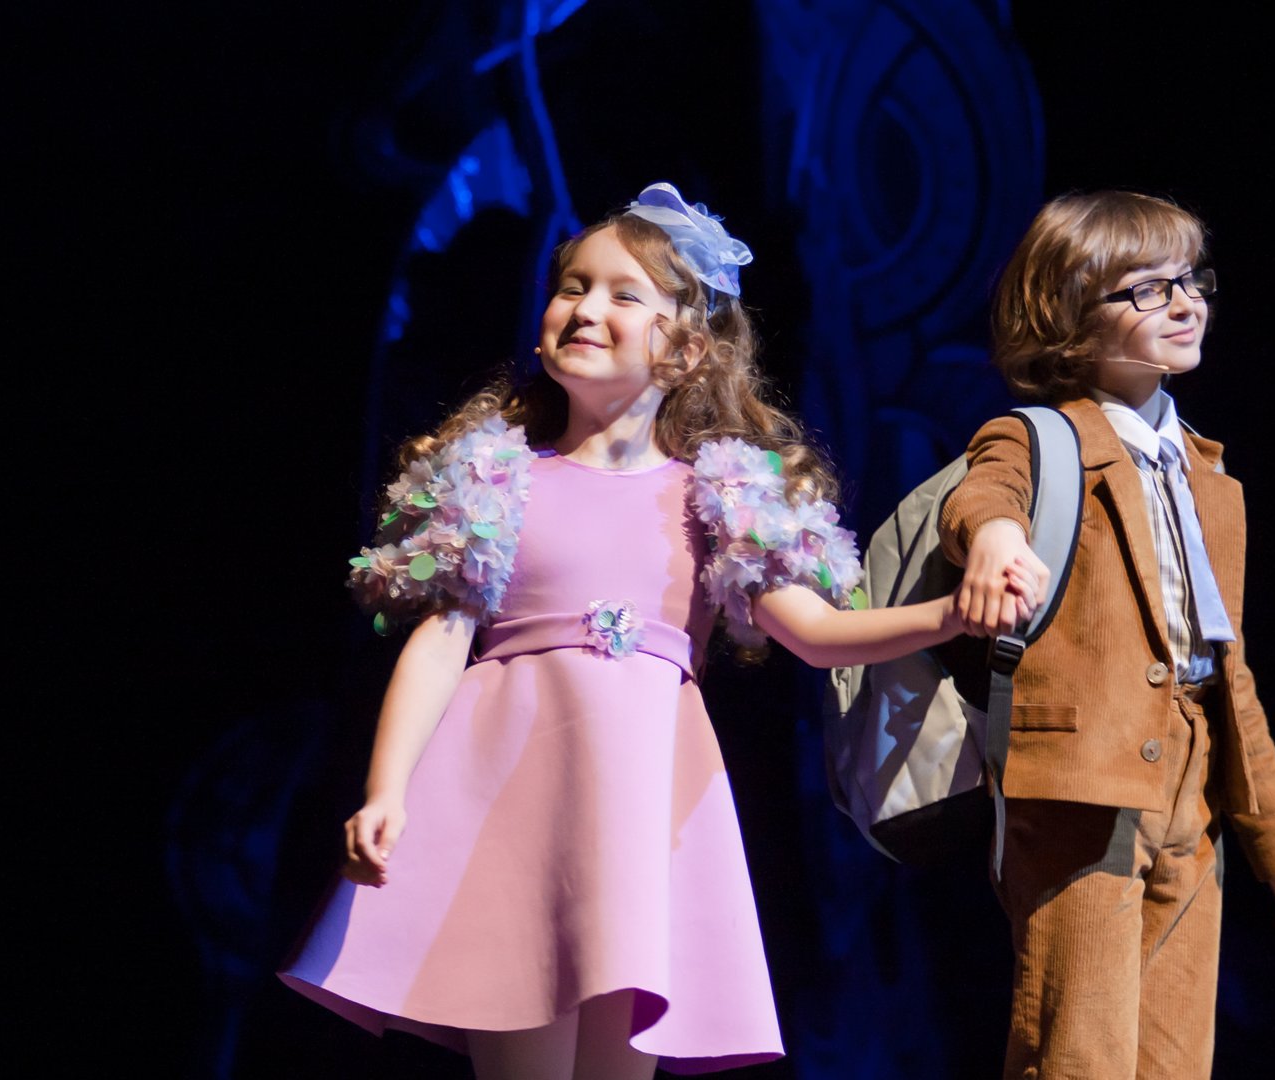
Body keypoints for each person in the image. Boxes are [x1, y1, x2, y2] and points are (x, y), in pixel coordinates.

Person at [280, 182, 1037, 1080]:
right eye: (572, 286)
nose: (585, 308)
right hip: (506, 794)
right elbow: (441, 642)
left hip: (640, 806)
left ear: (684, 349)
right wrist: (387, 790)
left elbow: (813, 632)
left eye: (623, 294)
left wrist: (948, 616)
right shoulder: (497, 477)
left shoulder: (717, 493)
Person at [939, 190, 1275, 1079]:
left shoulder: (1203, 470)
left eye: (1190, 281)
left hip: (1192, 796)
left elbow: (1229, 677)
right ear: (1069, 313)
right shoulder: (1041, 437)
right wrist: (995, 537)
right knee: (1077, 1053)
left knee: (1173, 1059)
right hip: (1082, 788)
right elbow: (984, 493)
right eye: (1149, 289)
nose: (1185, 303)